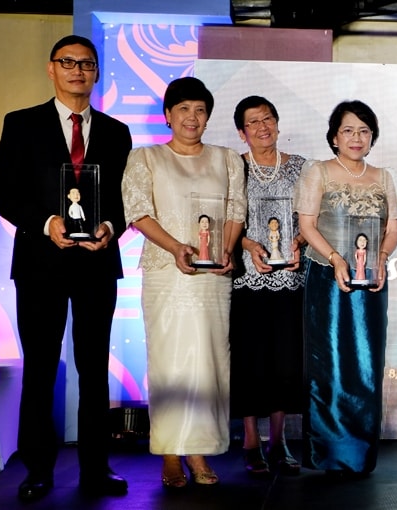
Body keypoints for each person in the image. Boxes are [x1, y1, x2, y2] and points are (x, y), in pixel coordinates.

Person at [0, 34, 132, 502]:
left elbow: (125, 201)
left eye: (87, 64)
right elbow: (2, 194)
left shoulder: (116, 131)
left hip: (96, 264)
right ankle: (38, 469)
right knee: (42, 367)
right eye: (67, 62)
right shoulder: (22, 124)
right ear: (51, 69)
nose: (77, 70)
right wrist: (46, 222)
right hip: (39, 265)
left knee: (94, 370)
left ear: (96, 72)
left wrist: (110, 225)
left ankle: (96, 468)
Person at [121, 77, 246, 488]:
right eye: (184, 109)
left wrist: (226, 251)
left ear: (208, 117)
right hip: (167, 271)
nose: (192, 117)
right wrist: (177, 248)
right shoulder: (146, 158)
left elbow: (235, 211)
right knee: (170, 362)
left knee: (209, 362)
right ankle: (170, 453)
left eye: (200, 110)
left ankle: (200, 451)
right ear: (168, 116)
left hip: (212, 277)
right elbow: (138, 213)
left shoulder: (228, 159)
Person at [295, 100, 397, 476]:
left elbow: (392, 230)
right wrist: (337, 258)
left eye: (364, 131)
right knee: (330, 363)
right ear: (334, 137)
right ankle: (329, 452)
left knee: (367, 365)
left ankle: (360, 454)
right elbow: (307, 226)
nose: (357, 138)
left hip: (371, 282)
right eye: (348, 130)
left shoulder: (383, 176)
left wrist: (383, 258)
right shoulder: (318, 172)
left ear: (372, 138)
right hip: (327, 277)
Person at [229, 95, 307, 477]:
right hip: (246, 278)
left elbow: (310, 218)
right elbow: (228, 219)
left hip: (290, 278)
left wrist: (300, 242)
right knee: (250, 361)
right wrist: (245, 243)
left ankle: (278, 441)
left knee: (285, 359)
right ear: (242, 133)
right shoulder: (232, 168)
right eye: (253, 122)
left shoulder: (300, 169)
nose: (263, 127)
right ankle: (249, 440)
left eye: (269, 119)